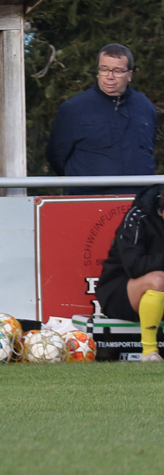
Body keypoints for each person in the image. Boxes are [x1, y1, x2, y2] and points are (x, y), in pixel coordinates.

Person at [46, 43, 157, 195]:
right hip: (90, 200)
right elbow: (56, 156)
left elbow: (148, 149)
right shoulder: (74, 108)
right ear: (98, 72)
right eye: (104, 69)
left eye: (117, 71)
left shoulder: (145, 107)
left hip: (140, 199)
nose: (109, 77)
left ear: (129, 75)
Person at [97, 184, 164, 361]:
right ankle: (149, 352)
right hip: (120, 291)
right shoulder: (138, 217)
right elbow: (134, 266)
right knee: (158, 280)